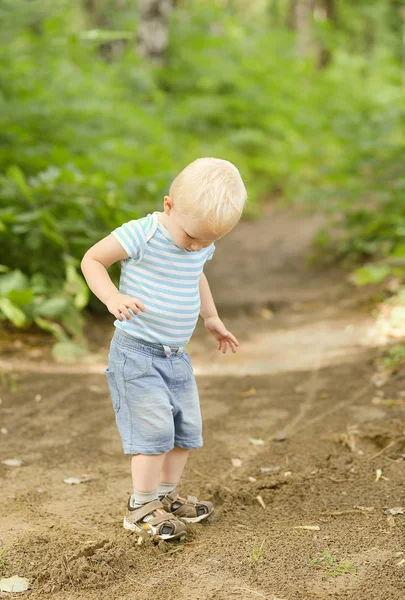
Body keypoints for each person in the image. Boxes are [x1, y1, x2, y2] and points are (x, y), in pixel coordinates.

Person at [81, 157, 247, 540]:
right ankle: (140, 505)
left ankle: (166, 496)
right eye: (193, 238)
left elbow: (197, 275)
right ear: (169, 206)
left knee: (184, 432)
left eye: (209, 241)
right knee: (153, 433)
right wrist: (111, 297)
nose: (199, 247)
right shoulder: (144, 233)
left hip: (177, 355)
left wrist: (211, 317)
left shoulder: (198, 244)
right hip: (137, 353)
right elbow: (93, 259)